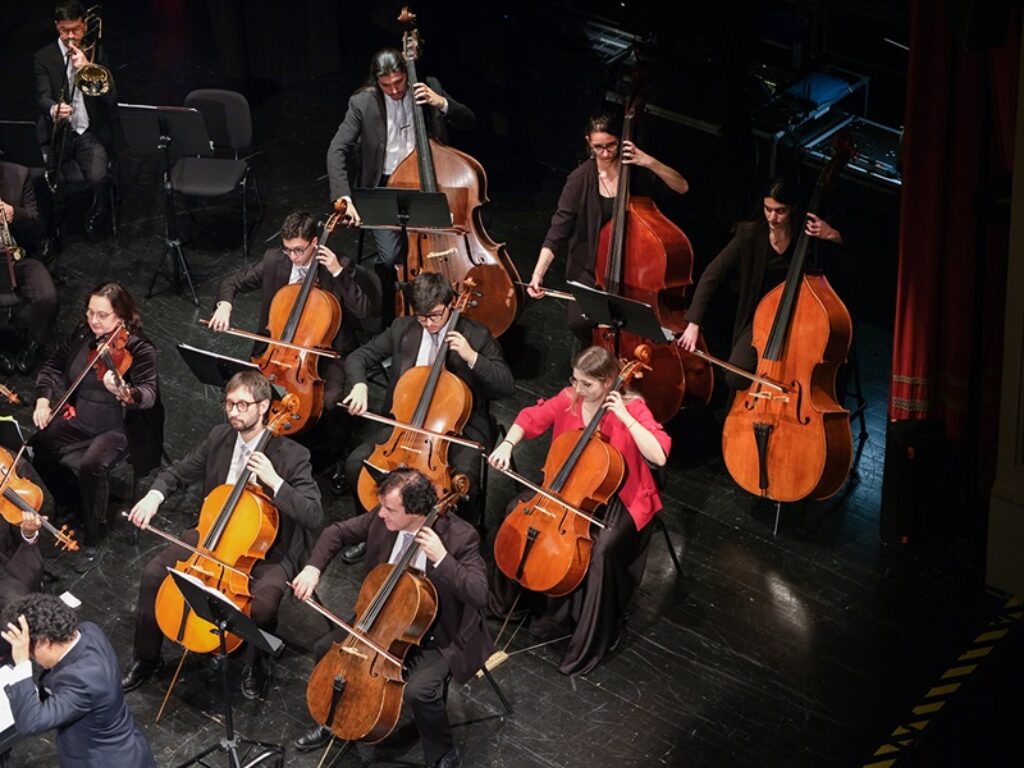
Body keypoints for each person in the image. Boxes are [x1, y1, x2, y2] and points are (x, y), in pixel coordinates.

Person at [122, 370, 322, 700]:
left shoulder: (292, 455)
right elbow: (178, 472)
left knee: (262, 605)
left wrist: (275, 482)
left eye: (243, 405)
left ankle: (255, 663)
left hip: (268, 548)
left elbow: (313, 515)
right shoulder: (220, 438)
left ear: (264, 407)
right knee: (154, 573)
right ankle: (146, 659)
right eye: (229, 403)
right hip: (212, 536)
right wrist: (154, 496)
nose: (233, 412)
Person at [488, 346, 671, 676]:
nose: (579, 389)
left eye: (587, 384)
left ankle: (593, 640)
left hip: (623, 495)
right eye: (575, 380)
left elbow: (659, 455)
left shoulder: (633, 407)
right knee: (515, 509)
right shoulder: (571, 397)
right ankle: (509, 605)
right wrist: (507, 443)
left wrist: (626, 418)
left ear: (609, 381)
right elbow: (531, 417)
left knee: (602, 549)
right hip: (569, 485)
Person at [290, 467, 490, 768]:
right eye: (382, 505)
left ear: (416, 511)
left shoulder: (461, 537)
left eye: (390, 509)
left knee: (419, 691)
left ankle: (443, 753)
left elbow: (479, 594)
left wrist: (443, 559)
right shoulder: (383, 519)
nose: (381, 514)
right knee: (324, 650)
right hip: (383, 620)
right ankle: (334, 722)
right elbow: (337, 532)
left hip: (438, 634)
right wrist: (313, 569)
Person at [340, 272, 513, 561]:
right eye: (422, 317)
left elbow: (505, 385)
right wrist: (359, 384)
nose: (429, 324)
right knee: (356, 465)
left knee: (461, 484)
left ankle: (453, 552)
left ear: (451, 303)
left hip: (458, 430)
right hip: (405, 423)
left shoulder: (477, 335)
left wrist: (472, 357)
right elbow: (358, 357)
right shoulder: (403, 328)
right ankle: (373, 534)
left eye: (435, 316)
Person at [210, 209, 375, 475]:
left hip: (324, 352)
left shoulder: (339, 264)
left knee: (329, 402)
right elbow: (232, 281)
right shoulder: (276, 261)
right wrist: (225, 305)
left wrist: (337, 271)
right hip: (278, 351)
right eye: (288, 250)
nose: (294, 257)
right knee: (244, 391)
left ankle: (325, 460)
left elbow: (364, 310)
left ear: (314, 243)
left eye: (299, 250)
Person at [326, 47, 475, 323]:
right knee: (391, 256)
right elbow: (337, 149)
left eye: (399, 83)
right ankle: (390, 317)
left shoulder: (428, 86)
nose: (394, 91)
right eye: (386, 86)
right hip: (383, 186)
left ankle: (442, 307)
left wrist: (440, 102)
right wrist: (344, 197)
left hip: (429, 182)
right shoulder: (363, 102)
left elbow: (469, 120)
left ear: (407, 74)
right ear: (376, 83)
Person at [31, 282, 162, 571]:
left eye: (102, 315)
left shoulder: (140, 349)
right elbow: (52, 366)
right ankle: (71, 502)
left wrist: (126, 392)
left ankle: (94, 534)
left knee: (92, 465)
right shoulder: (83, 335)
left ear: (122, 317)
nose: (94, 320)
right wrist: (43, 400)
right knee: (37, 446)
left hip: (119, 428)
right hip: (82, 418)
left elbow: (149, 394)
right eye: (90, 312)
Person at [527, 113, 690, 341]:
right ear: (588, 143)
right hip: (588, 268)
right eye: (598, 147)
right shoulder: (579, 179)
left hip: (631, 270)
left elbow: (682, 187)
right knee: (580, 322)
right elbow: (558, 230)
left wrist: (649, 162)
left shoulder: (635, 171)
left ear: (620, 140)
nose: (605, 153)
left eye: (611, 145)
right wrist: (537, 274)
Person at [674, 177, 843, 389]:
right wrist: (693, 323)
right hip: (759, 319)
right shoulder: (750, 235)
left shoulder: (807, 236)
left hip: (803, 320)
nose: (772, 216)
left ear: (792, 209)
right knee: (736, 376)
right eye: (768, 208)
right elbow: (712, 275)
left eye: (780, 210)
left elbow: (843, 265)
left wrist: (833, 235)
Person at [1, 593, 156, 767]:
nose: (32, 659)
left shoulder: (84, 681)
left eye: (31, 653)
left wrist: (22, 664)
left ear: (44, 642)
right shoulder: (88, 631)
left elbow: (30, 723)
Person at [33, 1, 119, 241]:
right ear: (57, 27)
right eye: (64, 30)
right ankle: (49, 231)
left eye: (76, 30)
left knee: (98, 176)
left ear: (84, 25)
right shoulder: (43, 56)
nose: (71, 37)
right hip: (57, 131)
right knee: (40, 177)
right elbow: (42, 95)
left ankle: (99, 209)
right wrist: (53, 109)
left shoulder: (97, 52)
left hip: (88, 132)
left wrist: (88, 67)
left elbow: (111, 98)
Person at [0, 160, 59, 375]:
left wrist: (15, 214)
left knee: (48, 297)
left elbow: (38, 227)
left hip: (17, 257)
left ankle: (33, 345)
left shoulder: (19, 174)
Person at [0, 511, 43, 662]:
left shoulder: (5, 498)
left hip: (6, 570)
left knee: (17, 610)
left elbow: (18, 536)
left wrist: (28, 533)